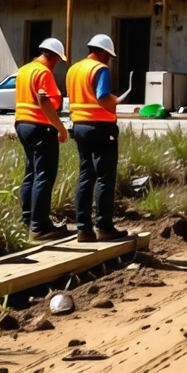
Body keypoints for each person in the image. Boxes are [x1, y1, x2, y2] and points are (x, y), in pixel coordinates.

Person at [66, 34, 127, 243]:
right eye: (109, 56)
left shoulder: (74, 70)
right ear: (102, 53)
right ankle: (104, 227)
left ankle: (83, 229)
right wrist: (116, 100)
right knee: (104, 178)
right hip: (101, 128)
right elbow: (102, 96)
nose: (109, 60)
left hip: (79, 126)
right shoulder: (100, 69)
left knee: (85, 175)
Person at [16, 37, 70, 242]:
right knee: (44, 176)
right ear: (52, 56)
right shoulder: (43, 72)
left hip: (22, 125)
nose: (57, 63)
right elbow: (43, 100)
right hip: (40, 128)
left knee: (31, 173)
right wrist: (59, 126)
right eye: (57, 59)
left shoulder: (24, 70)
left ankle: (29, 221)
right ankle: (39, 228)